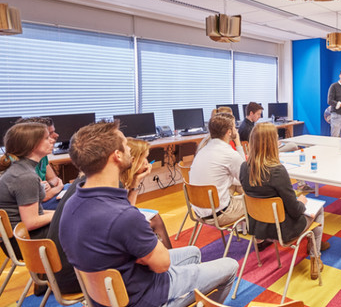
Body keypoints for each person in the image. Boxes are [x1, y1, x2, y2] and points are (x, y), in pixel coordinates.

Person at [59, 121, 238, 306]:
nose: (130, 148)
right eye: (126, 145)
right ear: (117, 156)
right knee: (231, 266)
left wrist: (137, 255)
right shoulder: (124, 217)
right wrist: (142, 255)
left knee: (193, 253)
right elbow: (162, 264)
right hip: (145, 294)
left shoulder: (72, 204)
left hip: (110, 293)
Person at [48, 138, 172, 294]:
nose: (148, 163)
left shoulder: (85, 183)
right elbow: (126, 216)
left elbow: (125, 212)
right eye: (144, 158)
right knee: (148, 233)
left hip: (62, 270)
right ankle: (165, 275)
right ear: (130, 160)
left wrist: (135, 182)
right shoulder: (109, 186)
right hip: (83, 277)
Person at [239, 123, 329, 279]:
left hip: (257, 227)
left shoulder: (244, 167)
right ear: (273, 143)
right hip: (283, 229)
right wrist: (301, 201)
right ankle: (315, 256)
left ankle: (313, 242)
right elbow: (295, 210)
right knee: (318, 209)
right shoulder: (277, 171)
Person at [0, 122, 55, 259]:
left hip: (21, 237)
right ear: (32, 145)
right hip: (25, 241)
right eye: (47, 138)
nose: (52, 140)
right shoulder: (25, 176)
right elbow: (31, 222)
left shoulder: (20, 169)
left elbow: (36, 212)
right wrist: (61, 214)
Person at [189, 113, 246, 223]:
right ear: (229, 132)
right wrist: (238, 143)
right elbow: (246, 178)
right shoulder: (229, 154)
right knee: (256, 199)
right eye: (234, 126)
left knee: (236, 185)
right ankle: (260, 238)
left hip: (199, 212)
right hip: (220, 215)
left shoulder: (203, 150)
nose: (236, 129)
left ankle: (243, 228)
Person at [15, 117, 64, 210]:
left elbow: (54, 179)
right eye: (49, 134)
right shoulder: (20, 166)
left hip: (44, 197)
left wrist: (50, 185)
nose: (56, 136)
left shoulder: (41, 155)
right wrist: (57, 188)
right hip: (35, 207)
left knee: (73, 188)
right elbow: (43, 197)